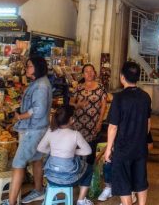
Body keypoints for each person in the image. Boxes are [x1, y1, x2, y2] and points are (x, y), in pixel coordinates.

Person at [4, 56, 52, 205]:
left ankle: (11, 202)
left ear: (37, 67)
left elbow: (38, 110)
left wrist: (20, 116)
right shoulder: (38, 83)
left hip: (34, 129)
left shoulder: (40, 86)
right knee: (37, 159)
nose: (27, 69)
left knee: (18, 163)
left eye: (29, 66)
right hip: (37, 128)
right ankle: (38, 190)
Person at [104, 61, 151, 205]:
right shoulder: (145, 97)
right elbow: (148, 123)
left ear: (122, 77)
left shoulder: (119, 98)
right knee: (140, 180)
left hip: (123, 148)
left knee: (123, 182)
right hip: (140, 147)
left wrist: (108, 148)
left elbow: (113, 127)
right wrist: (141, 137)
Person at [71, 64, 108, 205]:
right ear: (83, 74)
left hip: (93, 124)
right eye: (86, 71)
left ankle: (89, 179)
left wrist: (100, 121)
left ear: (95, 73)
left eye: (91, 71)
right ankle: (76, 177)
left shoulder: (100, 87)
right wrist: (78, 105)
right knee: (76, 151)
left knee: (90, 152)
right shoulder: (78, 88)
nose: (89, 73)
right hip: (78, 124)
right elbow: (71, 102)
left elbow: (103, 106)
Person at [37, 105, 92, 187]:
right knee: (89, 169)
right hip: (69, 180)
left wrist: (55, 150)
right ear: (71, 120)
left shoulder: (50, 131)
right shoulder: (75, 134)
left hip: (51, 178)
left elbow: (40, 148)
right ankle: (81, 199)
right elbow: (88, 151)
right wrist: (72, 151)